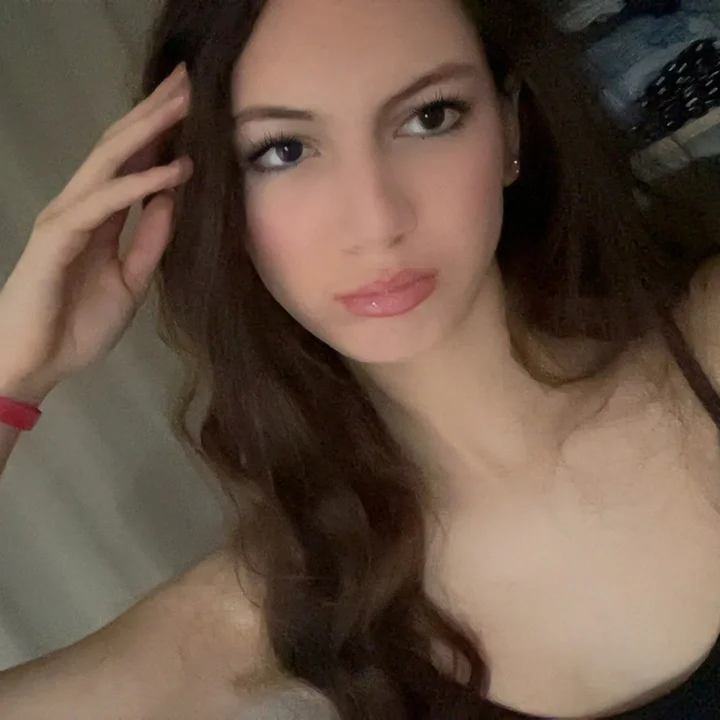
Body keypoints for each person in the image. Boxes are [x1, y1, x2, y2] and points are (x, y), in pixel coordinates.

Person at [0, 0, 719, 717]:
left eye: (429, 117)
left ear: (508, 127)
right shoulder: (301, 600)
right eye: (283, 151)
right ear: (216, 197)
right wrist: (13, 372)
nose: (376, 221)